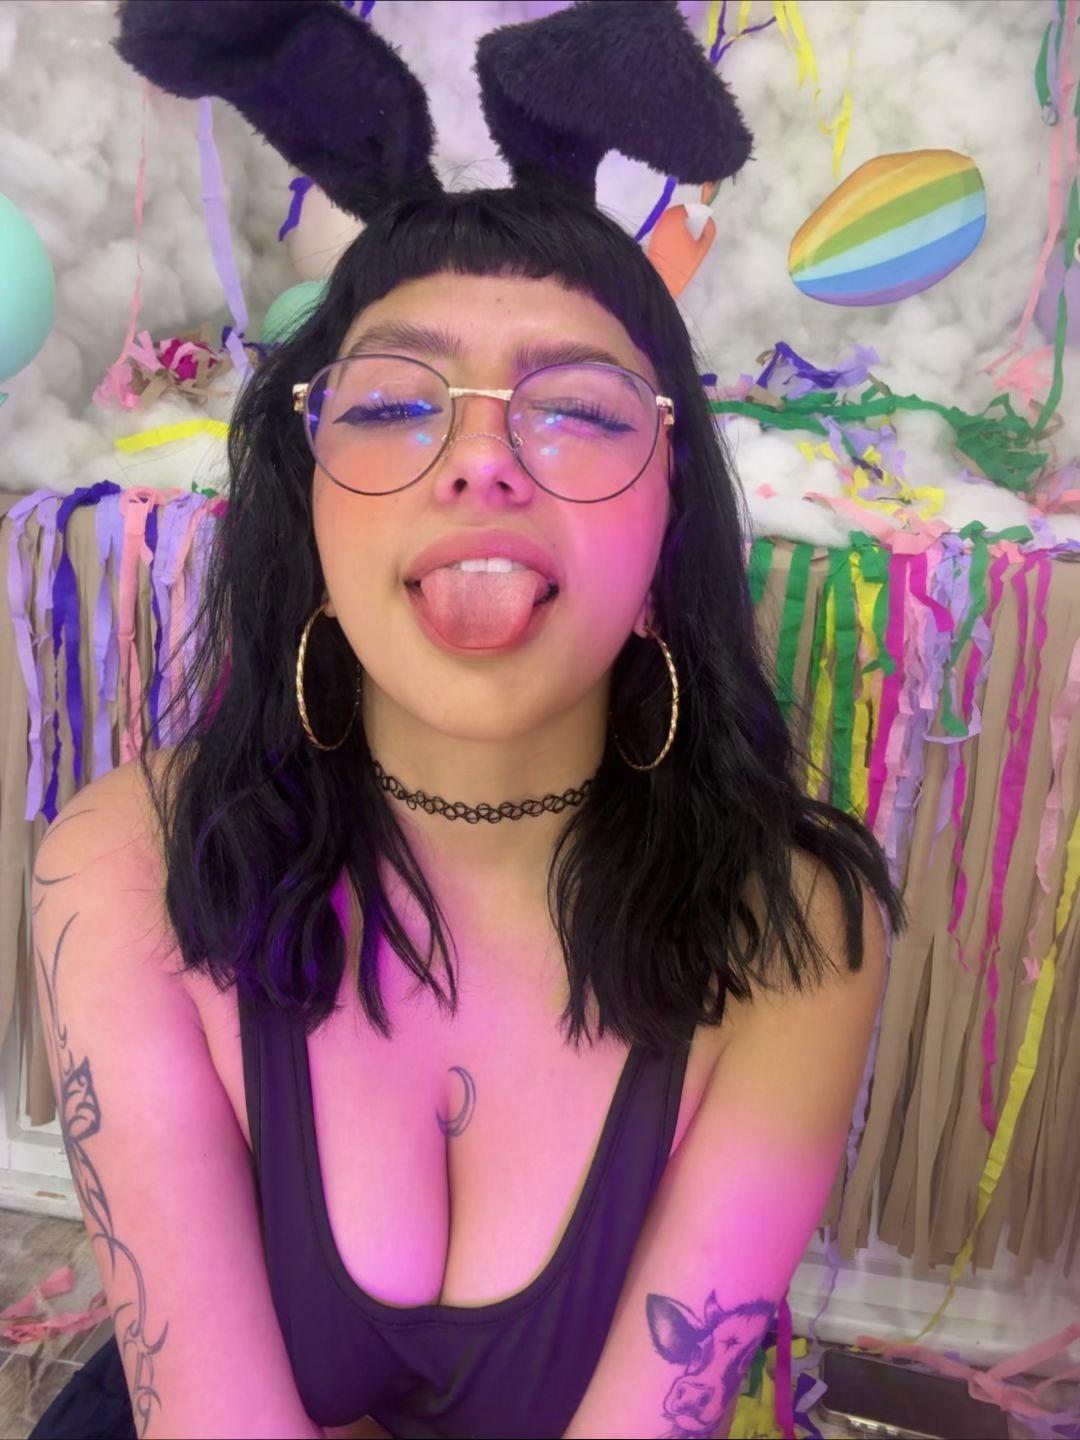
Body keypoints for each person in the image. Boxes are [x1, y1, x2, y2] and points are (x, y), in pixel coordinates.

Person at [29, 3, 908, 1438]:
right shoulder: (120, 865)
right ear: (309, 509)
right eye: (391, 405)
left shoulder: (797, 929)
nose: (480, 460)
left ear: (667, 528)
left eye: (580, 409)